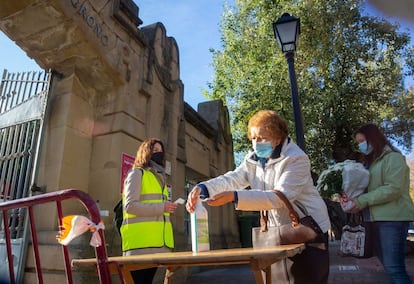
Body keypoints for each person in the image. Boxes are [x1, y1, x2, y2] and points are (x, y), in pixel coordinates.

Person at [186, 110, 331, 284]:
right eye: (254, 138)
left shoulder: (296, 158)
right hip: (277, 232)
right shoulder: (252, 160)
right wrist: (204, 188)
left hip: (307, 229)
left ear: (277, 137)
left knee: (306, 278)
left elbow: (280, 197)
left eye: (262, 138)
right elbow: (233, 179)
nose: (256, 143)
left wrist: (235, 197)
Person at [345, 123, 414, 284]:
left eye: (362, 141)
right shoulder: (369, 164)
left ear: (373, 138)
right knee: (390, 268)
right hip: (373, 219)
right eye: (358, 142)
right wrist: (351, 200)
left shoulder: (394, 158)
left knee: (395, 268)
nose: (361, 145)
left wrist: (362, 200)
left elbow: (393, 188)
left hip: (393, 219)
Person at [120, 138, 178, 284]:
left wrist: (167, 208)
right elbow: (130, 206)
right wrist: (162, 207)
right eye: (155, 151)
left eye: (161, 151)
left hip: (156, 246)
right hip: (139, 246)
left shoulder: (160, 179)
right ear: (146, 153)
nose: (159, 154)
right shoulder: (137, 174)